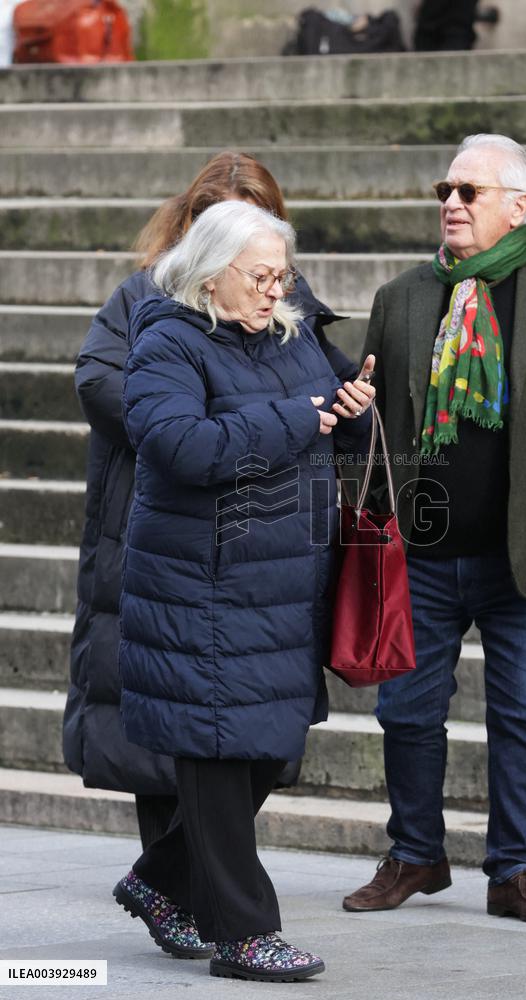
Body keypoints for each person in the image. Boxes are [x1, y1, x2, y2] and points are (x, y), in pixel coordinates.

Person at [342, 134, 526, 924]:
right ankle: (415, 854)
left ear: (518, 206)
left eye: (470, 191)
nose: (452, 203)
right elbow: (375, 428)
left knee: (520, 717)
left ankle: (514, 871)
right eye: (446, 190)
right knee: (406, 714)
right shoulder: (401, 298)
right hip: (421, 554)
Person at [63, 151, 355, 855]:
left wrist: (341, 406)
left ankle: (186, 875)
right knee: (166, 694)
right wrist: (193, 421)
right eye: (214, 217)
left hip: (261, 531)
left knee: (240, 711)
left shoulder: (279, 301)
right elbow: (104, 384)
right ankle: (176, 875)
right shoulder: (145, 299)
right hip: (157, 514)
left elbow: (318, 387)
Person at [112, 200, 374, 981]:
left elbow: (331, 425)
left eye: (281, 276)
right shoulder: (167, 342)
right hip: (203, 589)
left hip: (287, 588)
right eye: (259, 277)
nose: (274, 291)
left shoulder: (293, 335)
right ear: (209, 274)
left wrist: (352, 414)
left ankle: (159, 880)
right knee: (222, 757)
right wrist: (298, 418)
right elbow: (181, 446)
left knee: (268, 751)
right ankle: (244, 934)